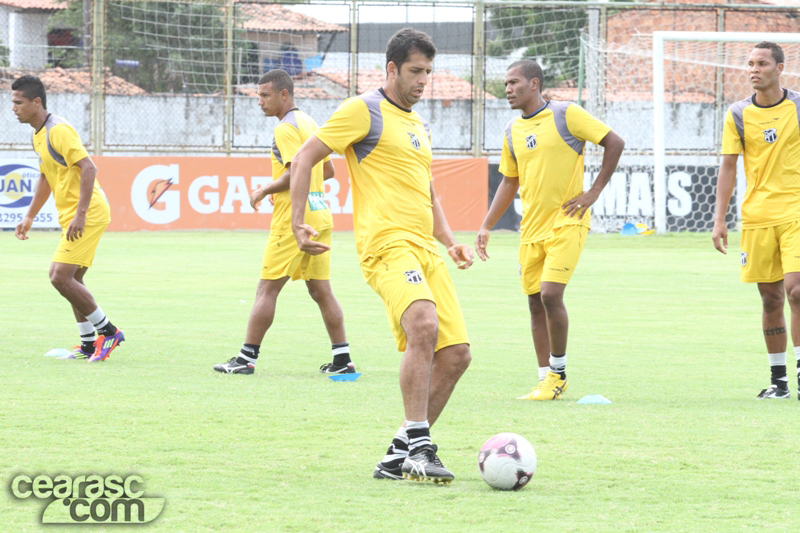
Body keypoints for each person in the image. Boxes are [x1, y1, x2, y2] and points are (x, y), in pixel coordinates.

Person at [289, 29, 473, 483]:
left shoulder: (417, 125)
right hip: (386, 246)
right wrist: (298, 221)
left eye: (429, 71)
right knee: (423, 326)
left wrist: (450, 241)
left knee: (457, 355)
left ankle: (397, 456)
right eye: (415, 71)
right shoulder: (363, 110)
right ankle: (420, 447)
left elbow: (427, 194)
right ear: (391, 69)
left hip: (425, 248)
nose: (424, 80)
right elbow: (304, 157)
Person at [475, 59, 624, 400]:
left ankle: (558, 374)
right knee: (534, 303)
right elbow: (508, 181)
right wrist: (486, 225)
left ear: (534, 84)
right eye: (506, 84)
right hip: (531, 229)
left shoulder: (566, 114)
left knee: (550, 294)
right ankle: (546, 380)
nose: (508, 89)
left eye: (514, 83)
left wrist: (594, 191)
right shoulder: (512, 130)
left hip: (567, 221)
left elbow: (614, 142)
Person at [214, 69, 354, 376]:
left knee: (267, 289)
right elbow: (327, 170)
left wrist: (266, 189)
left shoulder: (285, 128)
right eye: (258, 95)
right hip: (321, 211)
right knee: (321, 290)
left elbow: (296, 170)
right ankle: (343, 360)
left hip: (296, 219)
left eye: (265, 95)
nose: (260, 102)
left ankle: (246, 359)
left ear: (284, 95)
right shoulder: (310, 122)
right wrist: (297, 184)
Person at [12, 75, 124, 362]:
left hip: (88, 213)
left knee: (59, 276)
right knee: (73, 279)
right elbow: (46, 177)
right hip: (75, 215)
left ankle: (109, 332)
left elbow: (89, 168)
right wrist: (29, 216)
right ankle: (88, 344)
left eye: (18, 102)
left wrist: (81, 214)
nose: (13, 108)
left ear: (36, 102)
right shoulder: (38, 134)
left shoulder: (58, 130)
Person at [713, 42, 800, 400]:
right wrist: (719, 219)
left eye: (762, 63)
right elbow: (729, 166)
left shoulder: (798, 106)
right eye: (750, 63)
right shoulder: (737, 113)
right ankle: (778, 381)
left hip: (796, 211)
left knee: (797, 290)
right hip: (757, 217)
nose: (754, 69)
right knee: (769, 300)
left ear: (779, 68)